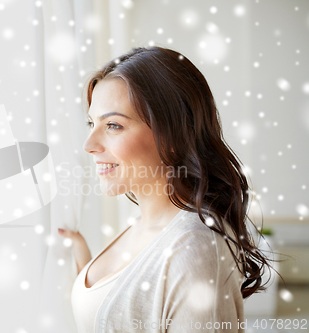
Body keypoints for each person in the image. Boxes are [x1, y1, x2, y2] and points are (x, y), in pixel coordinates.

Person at [57, 46, 281, 333]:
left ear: (173, 134)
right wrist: (83, 263)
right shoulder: (149, 227)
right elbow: (126, 313)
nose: (89, 144)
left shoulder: (195, 251)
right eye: (92, 123)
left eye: (113, 125)